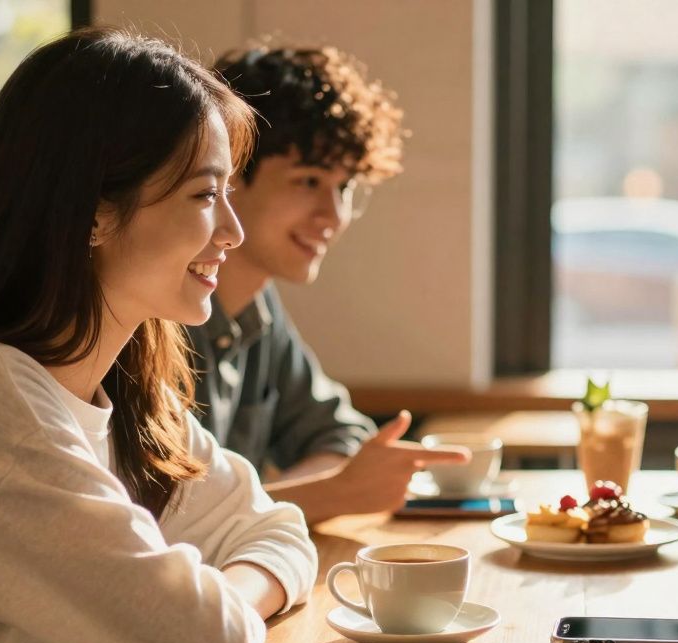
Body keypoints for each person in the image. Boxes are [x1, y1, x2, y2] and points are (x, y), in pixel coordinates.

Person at [0, 28, 317, 643]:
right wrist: (196, 619)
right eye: (205, 194)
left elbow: (277, 529)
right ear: (93, 212)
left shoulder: (121, 393)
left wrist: (214, 601)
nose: (232, 232)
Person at [188, 45, 468, 524]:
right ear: (229, 175)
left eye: (345, 187)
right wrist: (330, 495)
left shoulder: (259, 307)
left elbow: (342, 436)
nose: (334, 216)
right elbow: (164, 525)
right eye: (308, 181)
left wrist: (307, 496)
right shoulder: (157, 316)